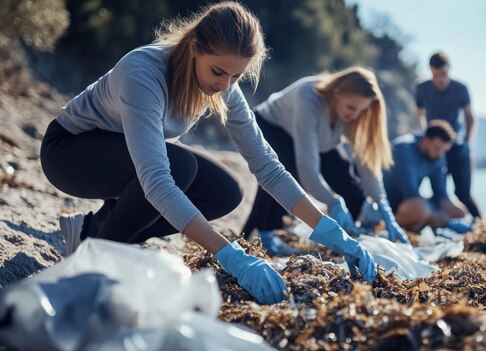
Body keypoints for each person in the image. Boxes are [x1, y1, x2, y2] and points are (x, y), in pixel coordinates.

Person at [39, 2, 376, 305]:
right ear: (195, 47)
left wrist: (333, 232)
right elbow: (156, 182)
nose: (225, 86)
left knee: (225, 193)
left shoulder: (224, 84)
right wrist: (231, 255)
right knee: (179, 168)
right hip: (69, 152)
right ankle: (97, 258)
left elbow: (267, 166)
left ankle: (92, 231)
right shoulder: (143, 71)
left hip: (122, 155)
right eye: (218, 72)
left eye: (237, 75)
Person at [241, 66, 408, 254]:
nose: (354, 115)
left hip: (319, 141)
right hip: (271, 126)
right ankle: (259, 233)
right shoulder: (308, 97)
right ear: (337, 93)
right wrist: (332, 201)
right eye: (351, 108)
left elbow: (366, 163)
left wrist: (383, 206)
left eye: (360, 111)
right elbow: (307, 168)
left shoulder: (353, 113)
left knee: (344, 176)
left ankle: (354, 229)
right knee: (283, 173)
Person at [415, 52, 481, 218]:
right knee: (440, 194)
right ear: (430, 71)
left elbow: (470, 118)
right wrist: (426, 136)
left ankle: (481, 225)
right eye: (436, 75)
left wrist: (467, 143)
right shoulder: (422, 89)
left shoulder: (460, 88)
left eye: (443, 74)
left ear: (449, 69)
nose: (440, 79)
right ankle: (441, 228)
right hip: (435, 149)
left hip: (457, 147)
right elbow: (419, 114)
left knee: (463, 194)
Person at [380, 120, 472, 233]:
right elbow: (411, 194)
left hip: (412, 202)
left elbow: (442, 196)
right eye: (437, 149)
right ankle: (383, 224)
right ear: (426, 140)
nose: (440, 155)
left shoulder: (438, 156)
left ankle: (423, 224)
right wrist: (446, 222)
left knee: (459, 212)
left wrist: (458, 217)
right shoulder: (402, 149)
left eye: (445, 151)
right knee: (420, 210)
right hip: (388, 204)